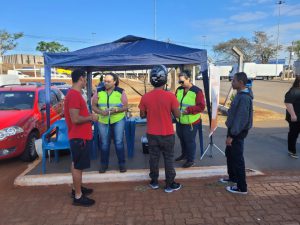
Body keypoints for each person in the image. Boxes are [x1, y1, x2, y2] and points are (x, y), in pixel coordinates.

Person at [138, 65, 182, 193]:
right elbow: (178, 115)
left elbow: (142, 115)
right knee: (168, 159)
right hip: (167, 134)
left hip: (151, 134)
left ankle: (154, 182)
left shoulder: (145, 97)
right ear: (164, 80)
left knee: (153, 158)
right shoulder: (171, 96)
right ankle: (169, 184)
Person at [64, 69, 99, 206]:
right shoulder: (74, 95)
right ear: (80, 79)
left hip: (79, 137)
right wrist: (91, 117)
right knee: (78, 166)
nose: (86, 82)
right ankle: (78, 197)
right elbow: (75, 119)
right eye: (85, 79)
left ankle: (76, 188)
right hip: (79, 137)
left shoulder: (74, 94)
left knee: (76, 163)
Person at [220, 72, 253, 195]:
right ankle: (233, 177)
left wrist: (232, 136)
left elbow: (241, 119)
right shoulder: (239, 95)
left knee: (238, 159)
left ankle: (241, 187)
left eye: (233, 81)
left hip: (237, 133)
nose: (232, 82)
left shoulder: (244, 98)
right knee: (230, 154)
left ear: (241, 83)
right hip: (233, 130)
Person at [92, 73, 128, 173]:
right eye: (105, 81)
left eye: (108, 81)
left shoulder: (120, 92)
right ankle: (103, 165)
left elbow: (125, 107)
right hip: (103, 120)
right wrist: (100, 112)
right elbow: (93, 106)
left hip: (118, 120)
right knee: (104, 143)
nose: (106, 83)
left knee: (119, 142)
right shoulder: (99, 91)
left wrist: (115, 110)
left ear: (114, 82)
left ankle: (122, 164)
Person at [175, 70, 205, 168]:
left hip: (191, 122)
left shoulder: (197, 91)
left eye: (182, 81)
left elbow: (201, 107)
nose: (181, 84)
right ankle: (184, 155)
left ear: (189, 79)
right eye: (179, 82)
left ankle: (190, 160)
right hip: (180, 120)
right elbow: (175, 103)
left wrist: (188, 110)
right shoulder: (179, 90)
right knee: (182, 139)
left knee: (189, 140)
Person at [284, 74, 300, 159]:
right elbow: (288, 102)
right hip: (295, 118)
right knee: (293, 134)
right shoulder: (294, 91)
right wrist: (293, 115)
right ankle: (292, 151)